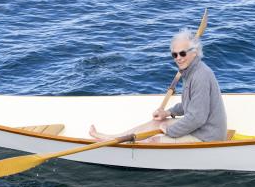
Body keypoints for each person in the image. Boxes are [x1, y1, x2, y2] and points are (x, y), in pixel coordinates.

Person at [89, 28, 227, 143]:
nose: (178, 58)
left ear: (194, 52)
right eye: (175, 54)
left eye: (183, 53)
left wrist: (169, 130)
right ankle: (114, 138)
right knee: (156, 123)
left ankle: (121, 143)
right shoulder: (190, 71)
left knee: (154, 139)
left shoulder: (200, 76)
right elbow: (189, 105)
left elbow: (197, 118)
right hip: (200, 128)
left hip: (207, 136)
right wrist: (168, 113)